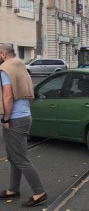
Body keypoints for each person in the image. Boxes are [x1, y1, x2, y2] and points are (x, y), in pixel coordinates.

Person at [0, 44, 47, 207]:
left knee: (20, 158)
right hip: (25, 115)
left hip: (15, 119)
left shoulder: (5, 69)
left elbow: (7, 97)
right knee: (14, 157)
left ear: (3, 54)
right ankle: (13, 189)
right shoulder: (21, 66)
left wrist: (5, 119)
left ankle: (38, 192)